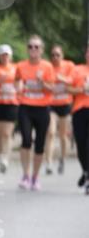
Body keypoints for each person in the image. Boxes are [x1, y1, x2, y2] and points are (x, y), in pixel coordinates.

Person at [14, 35, 56, 191]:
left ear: (42, 50)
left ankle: (35, 177)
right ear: (27, 49)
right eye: (30, 46)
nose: (33, 49)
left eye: (36, 47)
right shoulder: (21, 65)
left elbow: (52, 88)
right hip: (25, 106)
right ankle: (25, 175)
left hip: (42, 108)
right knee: (26, 140)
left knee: (39, 144)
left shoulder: (47, 67)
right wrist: (18, 86)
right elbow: (17, 80)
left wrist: (41, 82)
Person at [44, 44, 74, 175]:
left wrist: (62, 79)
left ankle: (62, 159)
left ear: (62, 56)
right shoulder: (48, 67)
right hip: (51, 104)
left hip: (65, 103)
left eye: (58, 55)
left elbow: (73, 81)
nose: (55, 57)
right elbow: (44, 83)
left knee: (62, 135)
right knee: (50, 133)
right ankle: (49, 163)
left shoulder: (69, 66)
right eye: (53, 55)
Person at [0, 43, 18, 173]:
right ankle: (0, 155)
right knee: (0, 133)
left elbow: (20, 83)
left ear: (10, 56)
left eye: (6, 55)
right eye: (2, 55)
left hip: (12, 103)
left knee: (7, 133)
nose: (5, 57)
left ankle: (5, 158)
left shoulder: (15, 68)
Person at [68, 44, 89, 194]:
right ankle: (86, 171)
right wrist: (82, 89)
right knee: (81, 144)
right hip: (79, 110)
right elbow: (69, 89)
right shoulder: (77, 70)